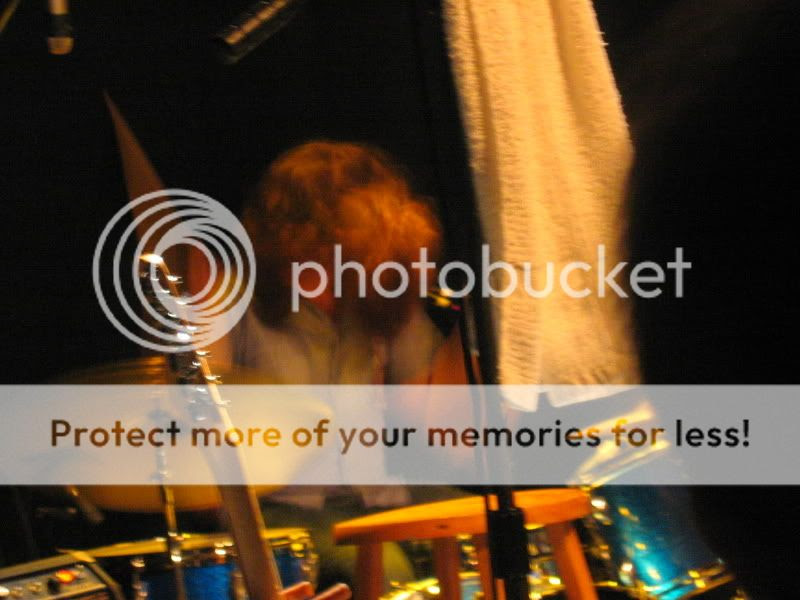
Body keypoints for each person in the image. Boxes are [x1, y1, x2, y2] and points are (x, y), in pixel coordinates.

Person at [207, 140, 461, 589]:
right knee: (387, 573)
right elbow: (199, 441)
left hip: (380, 495)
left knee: (499, 536)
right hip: (279, 511)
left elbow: (436, 425)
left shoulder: (375, 292)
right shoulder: (230, 297)